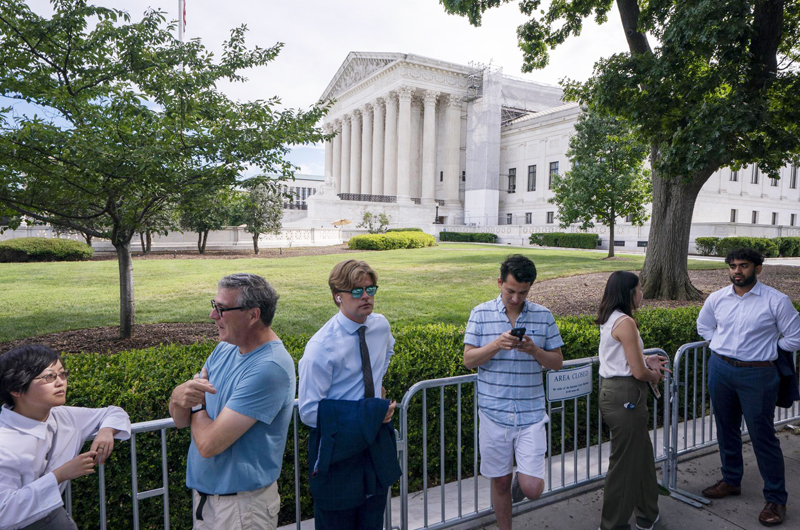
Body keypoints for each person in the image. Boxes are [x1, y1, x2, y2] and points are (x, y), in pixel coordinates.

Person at [169, 273, 296, 530]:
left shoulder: (269, 367)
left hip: (242, 510)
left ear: (253, 315)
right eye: (214, 305)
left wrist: (197, 405)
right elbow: (180, 419)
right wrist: (176, 396)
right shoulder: (225, 348)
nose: (212, 316)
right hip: (207, 501)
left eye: (222, 309)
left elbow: (208, 444)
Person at [697, 248, 800, 527]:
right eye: (732, 266)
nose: (737, 271)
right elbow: (704, 326)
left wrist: (770, 348)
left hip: (759, 374)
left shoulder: (776, 301)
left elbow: (795, 337)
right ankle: (731, 480)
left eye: (743, 265)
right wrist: (721, 345)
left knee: (762, 435)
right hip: (721, 369)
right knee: (726, 428)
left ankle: (776, 499)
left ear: (758, 269)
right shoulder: (718, 298)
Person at [463, 254, 564, 530]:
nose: (516, 298)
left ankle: (525, 478)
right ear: (499, 282)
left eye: (523, 292)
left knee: (532, 488)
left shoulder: (543, 315)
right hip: (494, 413)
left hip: (531, 414)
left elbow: (557, 362)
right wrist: (497, 344)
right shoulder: (480, 313)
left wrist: (535, 350)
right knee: (501, 481)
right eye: (510, 291)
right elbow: (469, 360)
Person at [298, 259, 401, 530]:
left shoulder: (380, 326)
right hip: (337, 449)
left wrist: (378, 390)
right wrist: (367, 415)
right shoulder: (321, 347)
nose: (366, 296)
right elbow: (309, 413)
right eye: (356, 291)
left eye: (370, 289)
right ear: (338, 296)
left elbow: (384, 358)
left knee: (372, 520)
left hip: (375, 442)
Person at [0, 344, 131, 530]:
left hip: (56, 519)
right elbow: (4, 512)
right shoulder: (4, 441)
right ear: (16, 389)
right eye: (49, 377)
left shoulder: (63, 416)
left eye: (62, 374)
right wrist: (59, 475)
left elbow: (114, 412)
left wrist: (107, 430)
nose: (61, 382)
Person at [596, 271, 669, 530]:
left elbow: (623, 358)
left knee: (641, 456)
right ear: (629, 292)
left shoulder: (611, 318)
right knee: (625, 464)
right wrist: (655, 374)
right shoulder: (626, 322)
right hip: (626, 395)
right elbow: (638, 372)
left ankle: (648, 513)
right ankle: (612, 524)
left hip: (617, 393)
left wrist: (646, 361)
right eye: (639, 289)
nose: (642, 294)